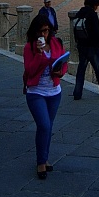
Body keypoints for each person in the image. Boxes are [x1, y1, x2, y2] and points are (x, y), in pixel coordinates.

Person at [23, 12, 68, 178]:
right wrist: (40, 55)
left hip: (54, 91)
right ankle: (41, 162)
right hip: (36, 92)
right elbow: (30, 70)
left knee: (48, 126)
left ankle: (45, 158)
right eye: (41, 31)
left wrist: (60, 71)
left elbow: (63, 62)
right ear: (35, 31)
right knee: (44, 125)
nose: (44, 34)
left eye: (47, 31)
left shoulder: (56, 43)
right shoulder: (30, 47)